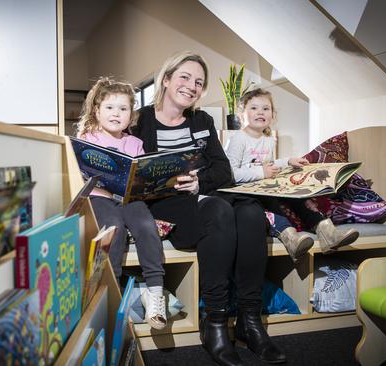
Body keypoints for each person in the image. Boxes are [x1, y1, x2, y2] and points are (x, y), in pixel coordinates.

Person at [132, 51, 286, 365]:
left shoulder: (202, 120)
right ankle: (215, 321)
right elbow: (130, 172)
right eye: (184, 77)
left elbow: (223, 171)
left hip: (200, 197)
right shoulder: (140, 120)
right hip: (166, 206)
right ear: (166, 79)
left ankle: (249, 320)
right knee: (219, 211)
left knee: (251, 213)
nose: (191, 86)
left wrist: (198, 182)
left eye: (198, 82)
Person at [76, 77, 167, 330]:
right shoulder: (88, 138)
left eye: (123, 109)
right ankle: (113, 295)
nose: (116, 113)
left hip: (130, 199)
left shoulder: (135, 143)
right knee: (113, 228)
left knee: (147, 226)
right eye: (109, 107)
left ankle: (155, 292)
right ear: (97, 110)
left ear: (131, 114)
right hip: (100, 198)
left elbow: (142, 178)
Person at [226, 88, 359, 258]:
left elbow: (269, 165)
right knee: (270, 204)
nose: (260, 112)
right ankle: (290, 238)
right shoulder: (238, 139)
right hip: (245, 191)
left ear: (272, 115)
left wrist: (288, 161)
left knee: (299, 195)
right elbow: (230, 174)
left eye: (266, 109)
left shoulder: (268, 140)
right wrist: (262, 172)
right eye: (254, 108)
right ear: (241, 114)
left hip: (265, 185)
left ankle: (327, 232)